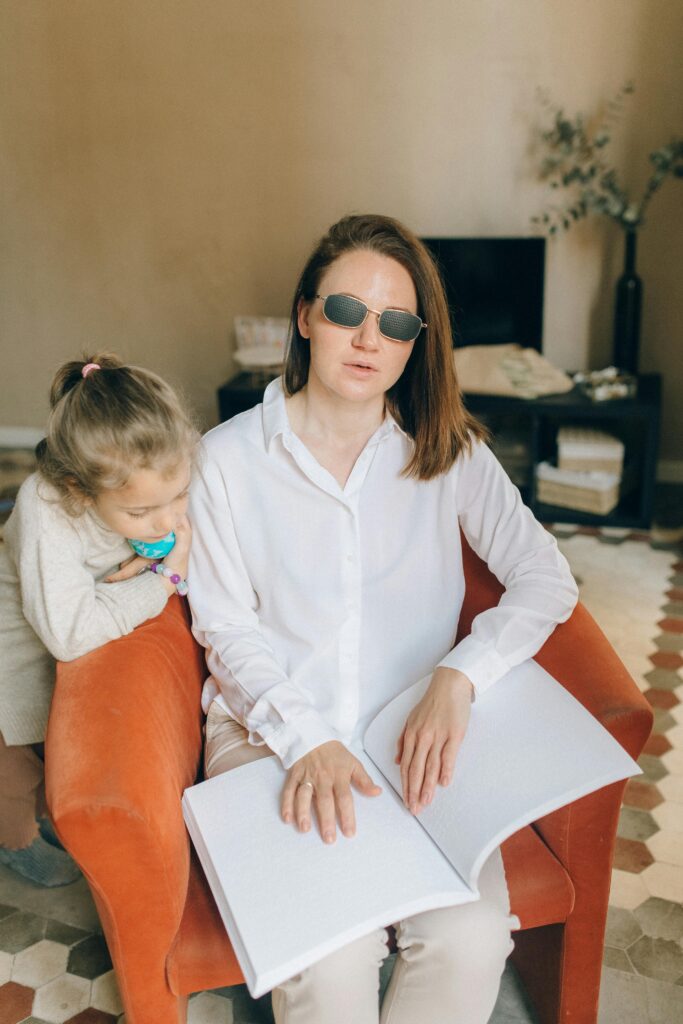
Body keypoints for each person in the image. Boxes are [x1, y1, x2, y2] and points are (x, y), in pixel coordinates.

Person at [188, 214, 579, 1024]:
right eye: (346, 312)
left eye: (396, 323)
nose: (369, 340)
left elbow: (545, 576)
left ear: (414, 343)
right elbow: (225, 631)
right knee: (331, 958)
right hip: (268, 734)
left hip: (410, 735)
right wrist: (306, 738)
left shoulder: (447, 450)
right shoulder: (224, 460)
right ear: (305, 316)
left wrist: (459, 676)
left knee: (473, 938)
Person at [0, 354, 197, 886]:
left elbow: (180, 523)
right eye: (140, 513)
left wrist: (176, 544)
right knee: (14, 772)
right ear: (79, 490)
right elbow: (70, 634)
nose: (168, 520)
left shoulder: (154, 480)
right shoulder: (45, 510)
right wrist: (164, 579)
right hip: (10, 657)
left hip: (63, 624)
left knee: (49, 755)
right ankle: (13, 838)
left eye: (178, 495)